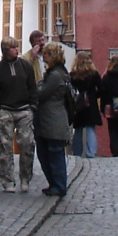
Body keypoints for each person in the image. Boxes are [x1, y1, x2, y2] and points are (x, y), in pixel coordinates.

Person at [0, 36, 37, 193]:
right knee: (5, 148)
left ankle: (25, 178)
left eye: (17, 47)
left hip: (24, 110)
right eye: (13, 47)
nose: (16, 49)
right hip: (5, 110)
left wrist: (33, 106)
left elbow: (32, 87)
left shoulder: (26, 66)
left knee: (27, 144)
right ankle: (7, 180)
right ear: (5, 50)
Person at [36, 42, 71, 196]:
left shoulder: (55, 75)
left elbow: (41, 93)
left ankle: (58, 185)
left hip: (53, 121)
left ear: (52, 56)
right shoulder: (57, 73)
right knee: (47, 154)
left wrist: (38, 84)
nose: (43, 57)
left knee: (54, 154)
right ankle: (55, 184)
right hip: (49, 120)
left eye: (46, 54)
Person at [70, 51, 103, 158]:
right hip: (91, 105)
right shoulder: (94, 74)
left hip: (78, 105)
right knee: (90, 129)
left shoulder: (73, 75)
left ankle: (77, 154)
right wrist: (93, 96)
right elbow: (102, 89)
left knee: (78, 129)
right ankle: (91, 153)